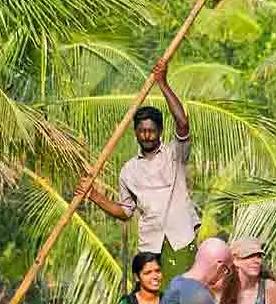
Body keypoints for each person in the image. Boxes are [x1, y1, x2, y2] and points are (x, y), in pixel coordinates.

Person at [82, 60, 199, 278]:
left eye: (151, 131)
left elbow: (183, 124)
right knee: (151, 297)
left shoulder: (175, 154)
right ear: (135, 132)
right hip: (150, 247)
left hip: (181, 240)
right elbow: (125, 212)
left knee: (182, 294)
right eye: (142, 131)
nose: (147, 136)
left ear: (160, 131)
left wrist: (162, 83)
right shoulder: (129, 171)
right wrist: (94, 196)